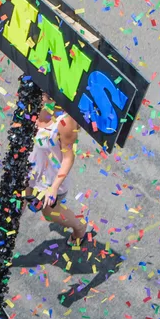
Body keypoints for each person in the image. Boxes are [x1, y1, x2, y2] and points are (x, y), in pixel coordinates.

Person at [29, 103, 95, 246]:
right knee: (13, 209)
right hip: (27, 175)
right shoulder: (30, 104)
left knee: (49, 213)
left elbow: (68, 158)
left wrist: (53, 187)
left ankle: (79, 226)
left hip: (50, 182)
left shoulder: (65, 122)